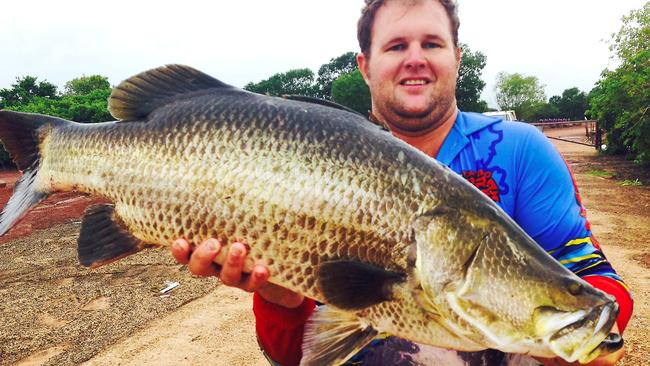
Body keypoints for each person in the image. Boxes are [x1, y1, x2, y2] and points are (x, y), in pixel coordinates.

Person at [171, 0, 633, 365]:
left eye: (432, 43)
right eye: (395, 47)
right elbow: (292, 356)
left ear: (457, 57)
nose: (415, 59)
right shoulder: (308, 159)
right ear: (365, 65)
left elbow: (600, 287)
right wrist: (281, 299)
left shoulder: (520, 149)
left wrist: (571, 343)